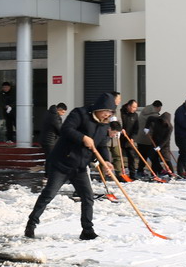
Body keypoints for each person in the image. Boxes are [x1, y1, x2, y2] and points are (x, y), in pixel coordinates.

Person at [24, 92, 116, 241]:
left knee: (88, 198)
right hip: (62, 162)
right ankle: (31, 224)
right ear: (98, 108)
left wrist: (107, 161)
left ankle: (87, 230)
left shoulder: (103, 125)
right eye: (106, 111)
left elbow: (101, 145)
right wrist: (83, 138)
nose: (107, 115)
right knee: (48, 194)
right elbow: (66, 129)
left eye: (110, 112)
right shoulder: (80, 113)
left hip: (80, 167)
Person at [135, 100, 162, 178]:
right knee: (154, 157)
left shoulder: (143, 111)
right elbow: (155, 128)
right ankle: (156, 171)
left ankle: (140, 170)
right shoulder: (154, 116)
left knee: (142, 156)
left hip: (140, 138)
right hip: (149, 139)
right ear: (158, 107)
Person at [39, 103, 67, 179]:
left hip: (46, 140)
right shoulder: (55, 117)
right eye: (63, 112)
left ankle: (49, 174)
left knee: (50, 158)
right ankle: (48, 175)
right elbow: (60, 129)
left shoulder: (48, 113)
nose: (63, 114)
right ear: (59, 110)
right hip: (50, 141)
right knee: (51, 158)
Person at [119, 99, 139, 179]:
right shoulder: (121, 113)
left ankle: (132, 174)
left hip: (129, 139)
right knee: (119, 156)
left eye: (136, 107)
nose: (135, 109)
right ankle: (119, 174)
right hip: (120, 138)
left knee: (131, 156)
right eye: (133, 107)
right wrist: (120, 130)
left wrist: (133, 138)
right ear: (128, 106)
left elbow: (136, 128)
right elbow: (118, 123)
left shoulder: (135, 115)